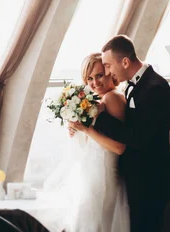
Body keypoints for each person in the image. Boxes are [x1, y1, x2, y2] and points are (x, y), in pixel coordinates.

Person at [41, 52, 130, 232]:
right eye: (89, 78)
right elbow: (95, 140)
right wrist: (78, 130)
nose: (94, 82)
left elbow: (119, 147)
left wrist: (86, 130)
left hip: (103, 177)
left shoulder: (112, 98)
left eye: (99, 75)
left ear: (109, 72)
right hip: (93, 175)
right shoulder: (101, 100)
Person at [94, 34, 170, 232]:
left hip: (150, 182)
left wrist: (98, 118)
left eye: (108, 65)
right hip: (140, 179)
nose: (107, 71)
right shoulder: (136, 85)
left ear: (124, 61)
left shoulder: (155, 88)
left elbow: (137, 137)